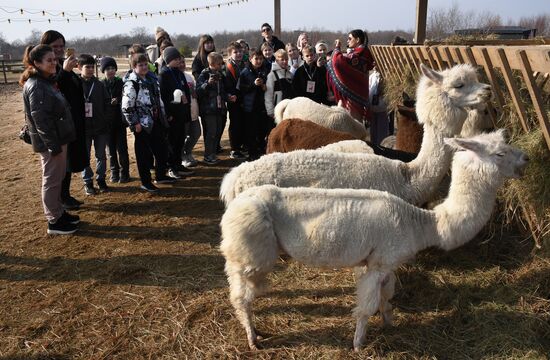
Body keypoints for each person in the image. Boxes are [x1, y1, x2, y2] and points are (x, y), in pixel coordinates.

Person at [20, 44, 79, 234]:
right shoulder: (37, 85)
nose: (54, 63)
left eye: (54, 59)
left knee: (57, 178)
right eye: (49, 60)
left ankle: (58, 213)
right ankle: (54, 221)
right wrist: (53, 146)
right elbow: (41, 121)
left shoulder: (46, 81)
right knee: (52, 180)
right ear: (36, 63)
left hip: (59, 139)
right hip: (52, 143)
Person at [40, 30, 88, 210]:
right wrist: (67, 72)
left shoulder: (61, 64)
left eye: (61, 46)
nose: (59, 49)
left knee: (69, 161)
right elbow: (53, 89)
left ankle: (65, 195)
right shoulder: (49, 68)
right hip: (59, 123)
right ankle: (60, 199)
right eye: (55, 46)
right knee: (61, 164)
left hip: (72, 121)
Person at [122, 53, 174, 193]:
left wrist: (164, 115)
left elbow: (158, 99)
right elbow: (126, 106)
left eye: (145, 64)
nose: (144, 67)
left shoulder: (152, 79)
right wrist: (135, 123)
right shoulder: (131, 83)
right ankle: (146, 182)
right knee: (143, 155)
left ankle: (160, 175)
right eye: (140, 65)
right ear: (134, 67)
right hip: (142, 125)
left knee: (161, 149)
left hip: (156, 120)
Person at [158, 47, 195, 179]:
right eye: (176, 58)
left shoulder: (178, 72)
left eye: (179, 58)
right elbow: (162, 97)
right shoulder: (164, 74)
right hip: (172, 115)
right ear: (169, 60)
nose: (179, 60)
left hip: (182, 113)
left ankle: (178, 165)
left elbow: (185, 91)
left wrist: (186, 107)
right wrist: (168, 114)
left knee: (180, 141)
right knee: (172, 142)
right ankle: (171, 168)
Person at [78, 54, 111, 195]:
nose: (91, 69)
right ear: (79, 67)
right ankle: (88, 182)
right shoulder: (75, 84)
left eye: (92, 67)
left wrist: (105, 119)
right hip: (83, 128)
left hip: (100, 127)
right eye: (87, 67)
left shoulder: (99, 85)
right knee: (84, 156)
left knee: (101, 155)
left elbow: (107, 103)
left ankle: (101, 179)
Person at [327, 29, 374, 122]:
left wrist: (337, 48)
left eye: (350, 38)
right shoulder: (362, 52)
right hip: (358, 92)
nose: (347, 41)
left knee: (353, 122)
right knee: (355, 122)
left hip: (354, 95)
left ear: (357, 40)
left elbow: (337, 61)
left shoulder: (359, 53)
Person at [196, 52, 233, 164]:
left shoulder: (220, 74)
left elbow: (222, 91)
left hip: (219, 108)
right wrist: (208, 83)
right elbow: (198, 91)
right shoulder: (204, 74)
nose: (221, 66)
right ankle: (207, 155)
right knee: (211, 132)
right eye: (218, 64)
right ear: (212, 63)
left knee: (217, 132)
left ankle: (212, 154)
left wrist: (228, 97)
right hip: (208, 110)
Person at [100, 57, 130, 184]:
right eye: (107, 69)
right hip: (106, 123)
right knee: (110, 150)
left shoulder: (121, 82)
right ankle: (114, 172)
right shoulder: (100, 84)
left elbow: (127, 97)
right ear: (103, 71)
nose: (111, 71)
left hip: (119, 122)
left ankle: (125, 173)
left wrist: (118, 100)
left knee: (122, 149)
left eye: (113, 68)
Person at [237, 49, 269, 160]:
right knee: (251, 131)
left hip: (261, 105)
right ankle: (252, 153)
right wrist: (253, 84)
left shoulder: (264, 70)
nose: (259, 61)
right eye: (256, 59)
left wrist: (264, 86)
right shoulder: (245, 72)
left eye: (261, 59)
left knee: (261, 129)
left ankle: (260, 150)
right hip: (250, 107)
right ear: (250, 59)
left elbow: (266, 87)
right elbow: (241, 89)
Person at [224, 41, 247, 160]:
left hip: (243, 98)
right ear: (230, 54)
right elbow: (224, 85)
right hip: (233, 99)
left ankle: (241, 146)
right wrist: (228, 95)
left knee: (242, 123)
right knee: (234, 124)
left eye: (240, 52)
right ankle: (234, 149)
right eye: (235, 52)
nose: (238, 54)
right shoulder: (227, 67)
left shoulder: (244, 64)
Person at [179, 58, 201, 168]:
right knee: (182, 136)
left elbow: (195, 92)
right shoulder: (175, 77)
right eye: (180, 62)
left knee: (196, 133)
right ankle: (182, 156)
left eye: (183, 62)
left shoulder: (189, 76)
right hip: (183, 113)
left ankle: (188, 152)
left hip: (193, 110)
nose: (182, 64)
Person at [264, 49, 293, 119]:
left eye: (286, 59)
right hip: (277, 111)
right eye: (282, 59)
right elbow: (268, 95)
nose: (285, 61)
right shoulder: (271, 75)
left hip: (288, 109)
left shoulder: (290, 74)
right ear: (276, 61)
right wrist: (270, 111)